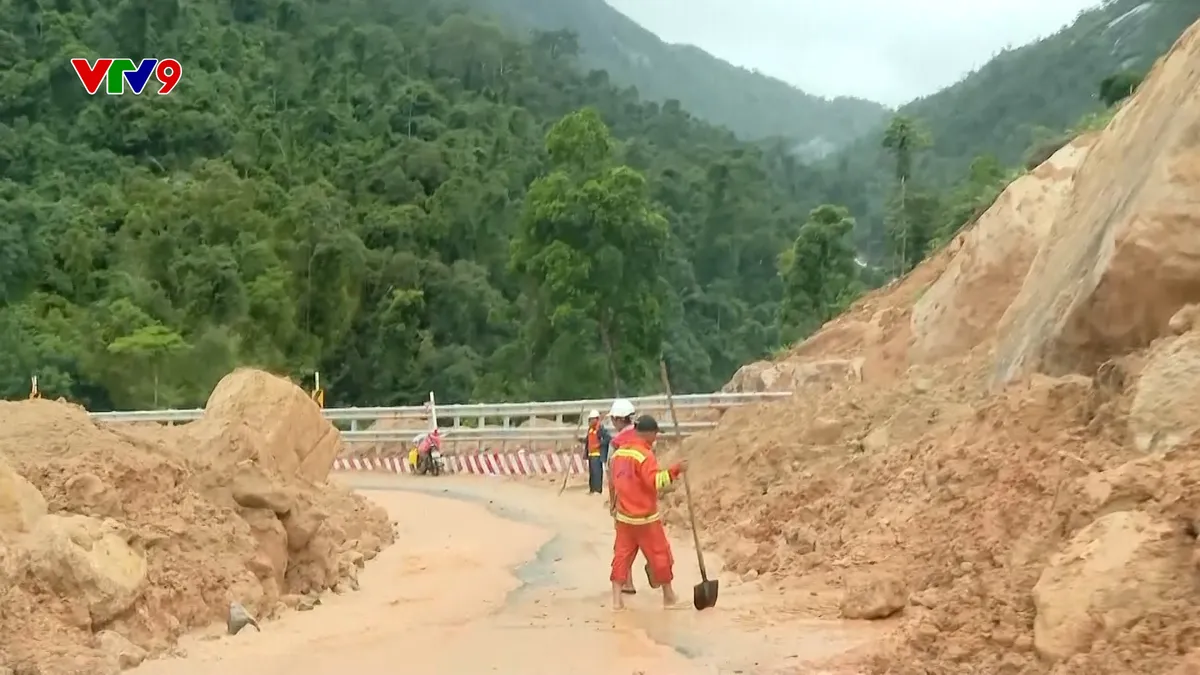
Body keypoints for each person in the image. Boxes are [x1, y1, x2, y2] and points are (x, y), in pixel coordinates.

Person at [608, 414, 686, 609]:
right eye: (655, 435)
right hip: (645, 518)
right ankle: (668, 596)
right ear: (650, 433)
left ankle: (617, 601)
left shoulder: (619, 454)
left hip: (624, 517)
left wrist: (613, 505)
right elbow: (655, 482)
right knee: (660, 555)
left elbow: (611, 482)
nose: (656, 438)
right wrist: (676, 470)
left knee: (621, 556)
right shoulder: (645, 455)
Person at [606, 398, 640, 594]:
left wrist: (612, 502)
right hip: (644, 500)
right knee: (645, 541)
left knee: (623, 543)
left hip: (624, 500)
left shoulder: (616, 443)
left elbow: (612, 475)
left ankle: (627, 581)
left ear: (618, 420)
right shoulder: (643, 437)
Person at [583, 410, 611, 494]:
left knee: (597, 473)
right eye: (589, 419)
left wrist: (599, 444)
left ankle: (598, 490)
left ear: (596, 419)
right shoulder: (590, 430)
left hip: (597, 454)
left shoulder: (600, 429)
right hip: (591, 454)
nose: (590, 421)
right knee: (592, 473)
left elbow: (608, 438)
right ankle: (592, 489)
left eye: (592, 419)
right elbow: (587, 440)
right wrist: (579, 439)